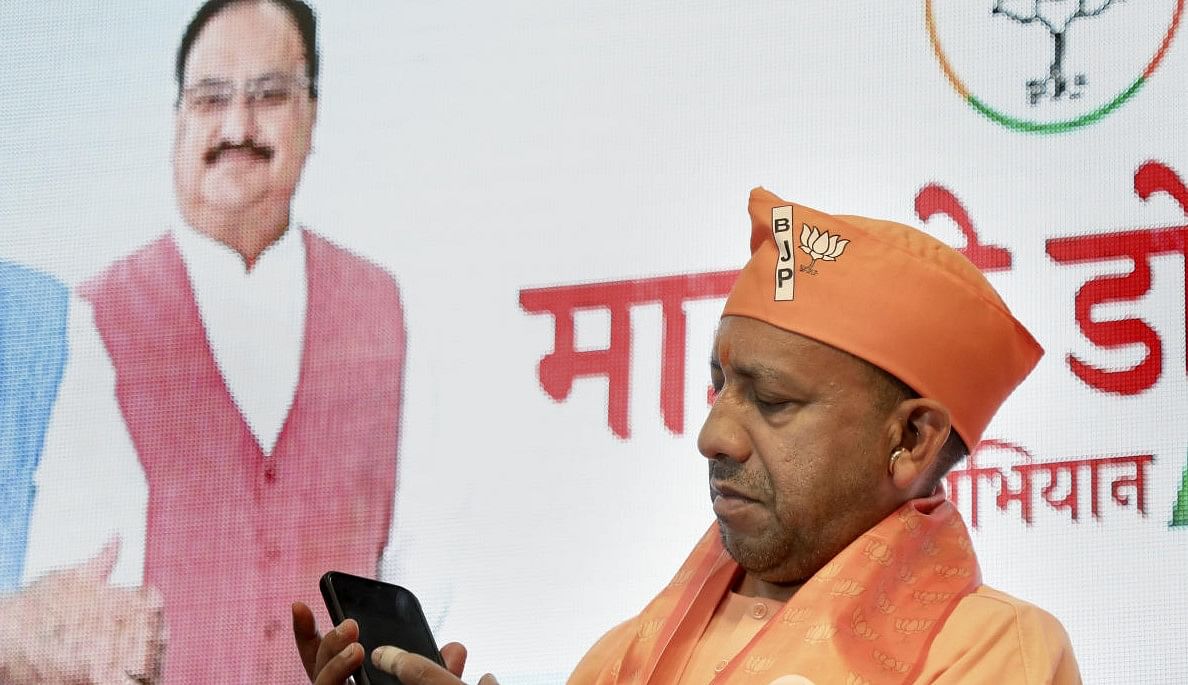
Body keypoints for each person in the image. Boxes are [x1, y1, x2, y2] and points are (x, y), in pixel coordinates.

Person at [294, 187, 1081, 684]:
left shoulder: (995, 654)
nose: (713, 433)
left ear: (910, 441)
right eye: (718, 383)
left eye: (771, 400)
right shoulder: (621, 659)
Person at [15, 0, 414, 682]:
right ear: (176, 120)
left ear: (312, 114)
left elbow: (421, 558)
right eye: (210, 98)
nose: (238, 126)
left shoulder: (383, 306)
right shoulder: (86, 321)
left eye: (268, 95)